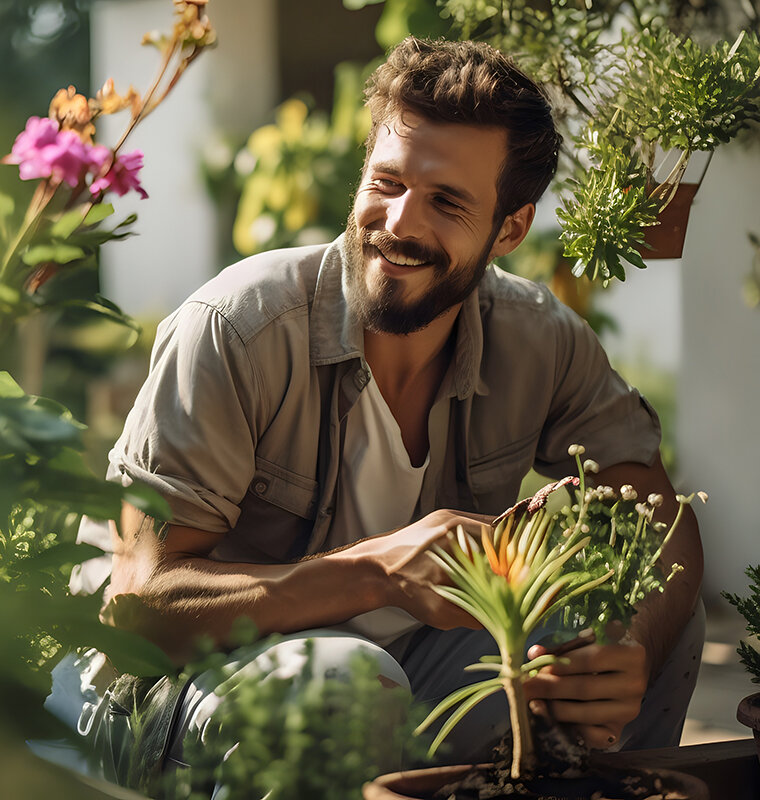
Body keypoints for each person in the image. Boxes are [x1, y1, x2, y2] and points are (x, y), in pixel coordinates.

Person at [54, 36, 704, 785]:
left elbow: (659, 516)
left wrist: (628, 651)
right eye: (386, 182)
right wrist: (378, 573)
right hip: (169, 693)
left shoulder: (540, 339)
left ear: (511, 230)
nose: (398, 223)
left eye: (447, 201)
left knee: (647, 607)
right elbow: (140, 611)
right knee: (350, 685)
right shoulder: (239, 326)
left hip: (397, 675)